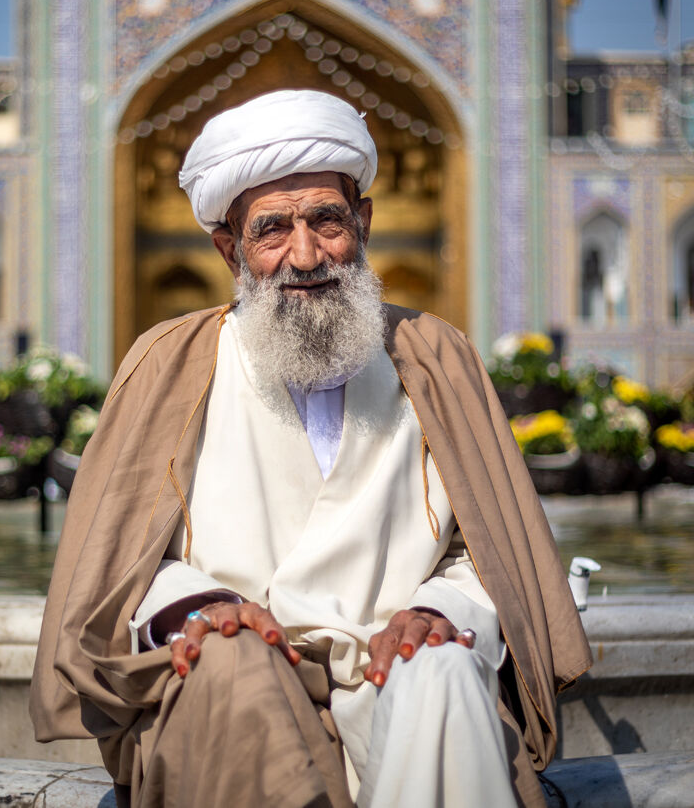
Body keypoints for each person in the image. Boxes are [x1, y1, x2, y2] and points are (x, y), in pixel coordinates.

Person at [30, 90, 591, 808]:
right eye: (272, 230)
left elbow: (487, 555)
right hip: (232, 671)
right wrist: (202, 608)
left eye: (327, 219)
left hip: (391, 668)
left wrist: (440, 613)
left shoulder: (434, 355)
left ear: (363, 221)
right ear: (229, 248)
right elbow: (120, 568)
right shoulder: (169, 363)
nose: (306, 254)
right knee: (232, 671)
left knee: (445, 674)